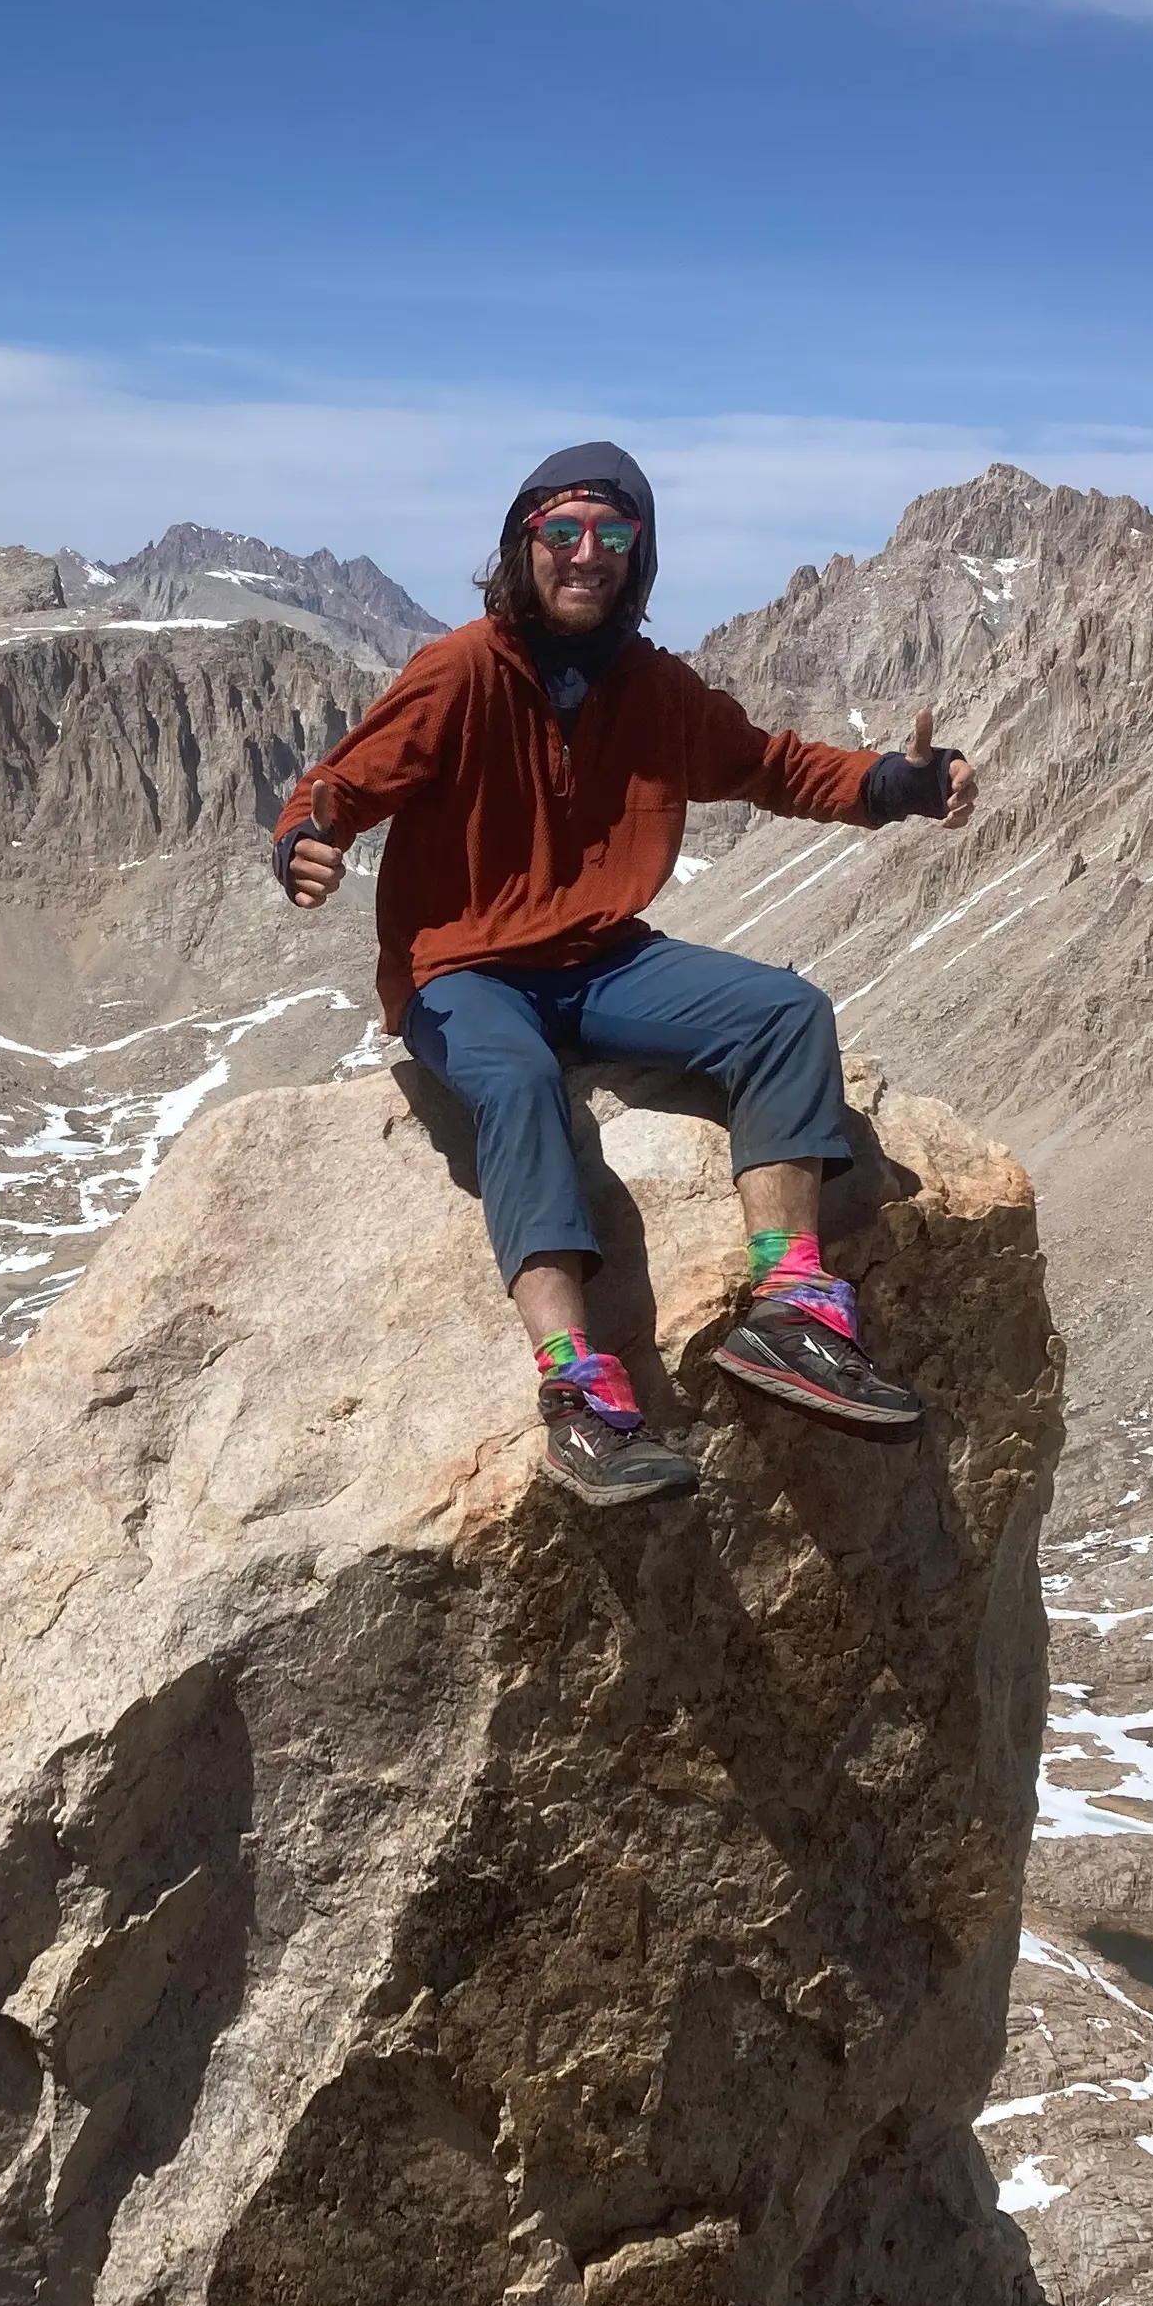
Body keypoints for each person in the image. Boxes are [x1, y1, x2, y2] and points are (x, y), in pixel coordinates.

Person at [272, 441, 978, 1507]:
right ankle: (578, 1398)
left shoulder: (653, 688)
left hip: (600, 962)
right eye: (562, 532)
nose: (586, 554)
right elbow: (338, 787)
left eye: (612, 534)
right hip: (462, 970)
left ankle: (789, 1305)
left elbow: (771, 767)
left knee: (786, 1016)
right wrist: (304, 841)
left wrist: (899, 783)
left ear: (637, 557)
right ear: (524, 547)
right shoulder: (460, 670)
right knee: (514, 1085)